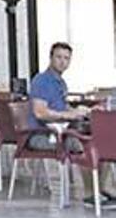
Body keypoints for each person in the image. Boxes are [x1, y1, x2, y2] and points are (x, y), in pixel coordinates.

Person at [27, 42, 115, 207]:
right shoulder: (41, 81)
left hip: (60, 131)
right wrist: (69, 114)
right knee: (84, 144)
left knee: (101, 142)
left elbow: (61, 107)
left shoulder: (60, 82)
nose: (62, 61)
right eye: (59, 57)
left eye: (66, 58)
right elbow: (40, 112)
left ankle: (102, 189)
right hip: (41, 135)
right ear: (51, 58)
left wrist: (83, 110)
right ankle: (90, 194)